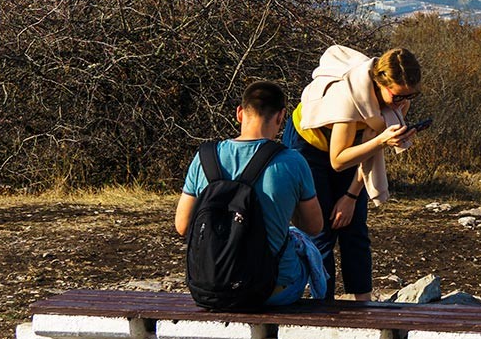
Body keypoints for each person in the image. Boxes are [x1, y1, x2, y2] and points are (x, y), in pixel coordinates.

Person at [282, 46, 421, 300]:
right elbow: (337, 160)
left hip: (351, 148)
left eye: (410, 95)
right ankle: (322, 303)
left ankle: (363, 305)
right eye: (397, 97)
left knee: (354, 226)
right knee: (321, 228)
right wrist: (380, 141)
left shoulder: (399, 99)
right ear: (381, 83)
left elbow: (367, 154)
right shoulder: (347, 97)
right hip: (309, 144)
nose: (402, 103)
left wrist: (350, 196)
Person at [175, 81, 326, 305]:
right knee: (305, 246)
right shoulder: (293, 161)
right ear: (281, 116)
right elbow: (315, 226)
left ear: (239, 113)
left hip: (209, 288)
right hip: (271, 290)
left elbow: (183, 226)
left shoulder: (204, 158)